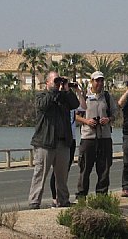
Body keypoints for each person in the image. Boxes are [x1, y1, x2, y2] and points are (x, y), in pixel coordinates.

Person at [28, 71, 80, 209]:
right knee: (40, 174)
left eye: (59, 81)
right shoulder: (42, 96)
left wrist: (67, 90)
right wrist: (53, 91)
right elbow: (43, 105)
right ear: (47, 83)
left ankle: (63, 200)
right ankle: (34, 202)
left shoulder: (64, 97)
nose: (58, 84)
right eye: (55, 81)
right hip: (45, 142)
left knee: (62, 176)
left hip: (63, 142)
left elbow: (75, 104)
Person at [75, 71, 118, 198]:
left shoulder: (107, 97)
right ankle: (81, 196)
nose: (99, 83)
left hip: (104, 137)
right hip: (88, 138)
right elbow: (75, 115)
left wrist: (108, 119)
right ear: (91, 81)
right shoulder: (84, 96)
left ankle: (101, 196)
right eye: (97, 80)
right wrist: (87, 121)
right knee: (85, 168)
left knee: (104, 168)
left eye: (101, 80)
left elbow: (115, 114)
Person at [49, 79, 80, 206]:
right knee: (56, 171)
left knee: (64, 170)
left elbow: (81, 105)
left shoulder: (69, 99)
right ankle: (55, 198)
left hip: (70, 138)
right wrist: (58, 90)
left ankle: (62, 198)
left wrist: (73, 90)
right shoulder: (56, 98)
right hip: (58, 139)